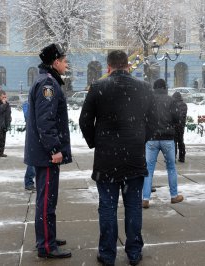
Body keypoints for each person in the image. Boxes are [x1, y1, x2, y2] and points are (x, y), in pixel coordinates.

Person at [79, 50, 154, 266]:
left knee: (108, 208)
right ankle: (133, 252)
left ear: (108, 67)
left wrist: (96, 142)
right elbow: (155, 120)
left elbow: (85, 120)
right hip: (134, 158)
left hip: (107, 159)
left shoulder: (98, 88)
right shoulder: (143, 88)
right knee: (133, 207)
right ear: (128, 65)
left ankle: (107, 254)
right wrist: (140, 139)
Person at [24, 43, 72, 259]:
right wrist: (55, 149)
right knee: (46, 201)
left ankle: (47, 236)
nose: (66, 64)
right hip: (47, 154)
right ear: (55, 62)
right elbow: (46, 121)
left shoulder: (47, 80)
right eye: (64, 60)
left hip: (43, 152)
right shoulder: (48, 85)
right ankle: (46, 245)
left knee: (48, 199)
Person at [142, 79, 184, 209]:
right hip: (167, 139)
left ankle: (145, 198)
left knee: (148, 169)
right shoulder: (171, 100)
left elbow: (143, 117)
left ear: (154, 88)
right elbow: (177, 118)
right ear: (165, 87)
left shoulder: (148, 100)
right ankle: (174, 196)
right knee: (171, 167)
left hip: (151, 139)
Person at [22, 99, 36, 192]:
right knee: (33, 162)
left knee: (35, 161)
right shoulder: (28, 105)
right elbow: (28, 117)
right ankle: (29, 182)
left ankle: (30, 182)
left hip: (37, 135)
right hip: (33, 137)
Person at [0, 90, 11, 157]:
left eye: (5, 97)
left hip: (5, 124)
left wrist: (9, 120)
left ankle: (1, 152)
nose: (5, 98)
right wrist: (3, 104)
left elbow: (8, 113)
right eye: (3, 97)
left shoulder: (7, 104)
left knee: (3, 139)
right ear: (0, 97)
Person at [172, 91, 188, 163]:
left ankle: (173, 157)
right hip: (181, 126)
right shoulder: (184, 105)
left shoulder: (173, 104)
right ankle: (182, 157)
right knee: (181, 141)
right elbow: (183, 115)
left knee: (174, 142)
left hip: (174, 126)